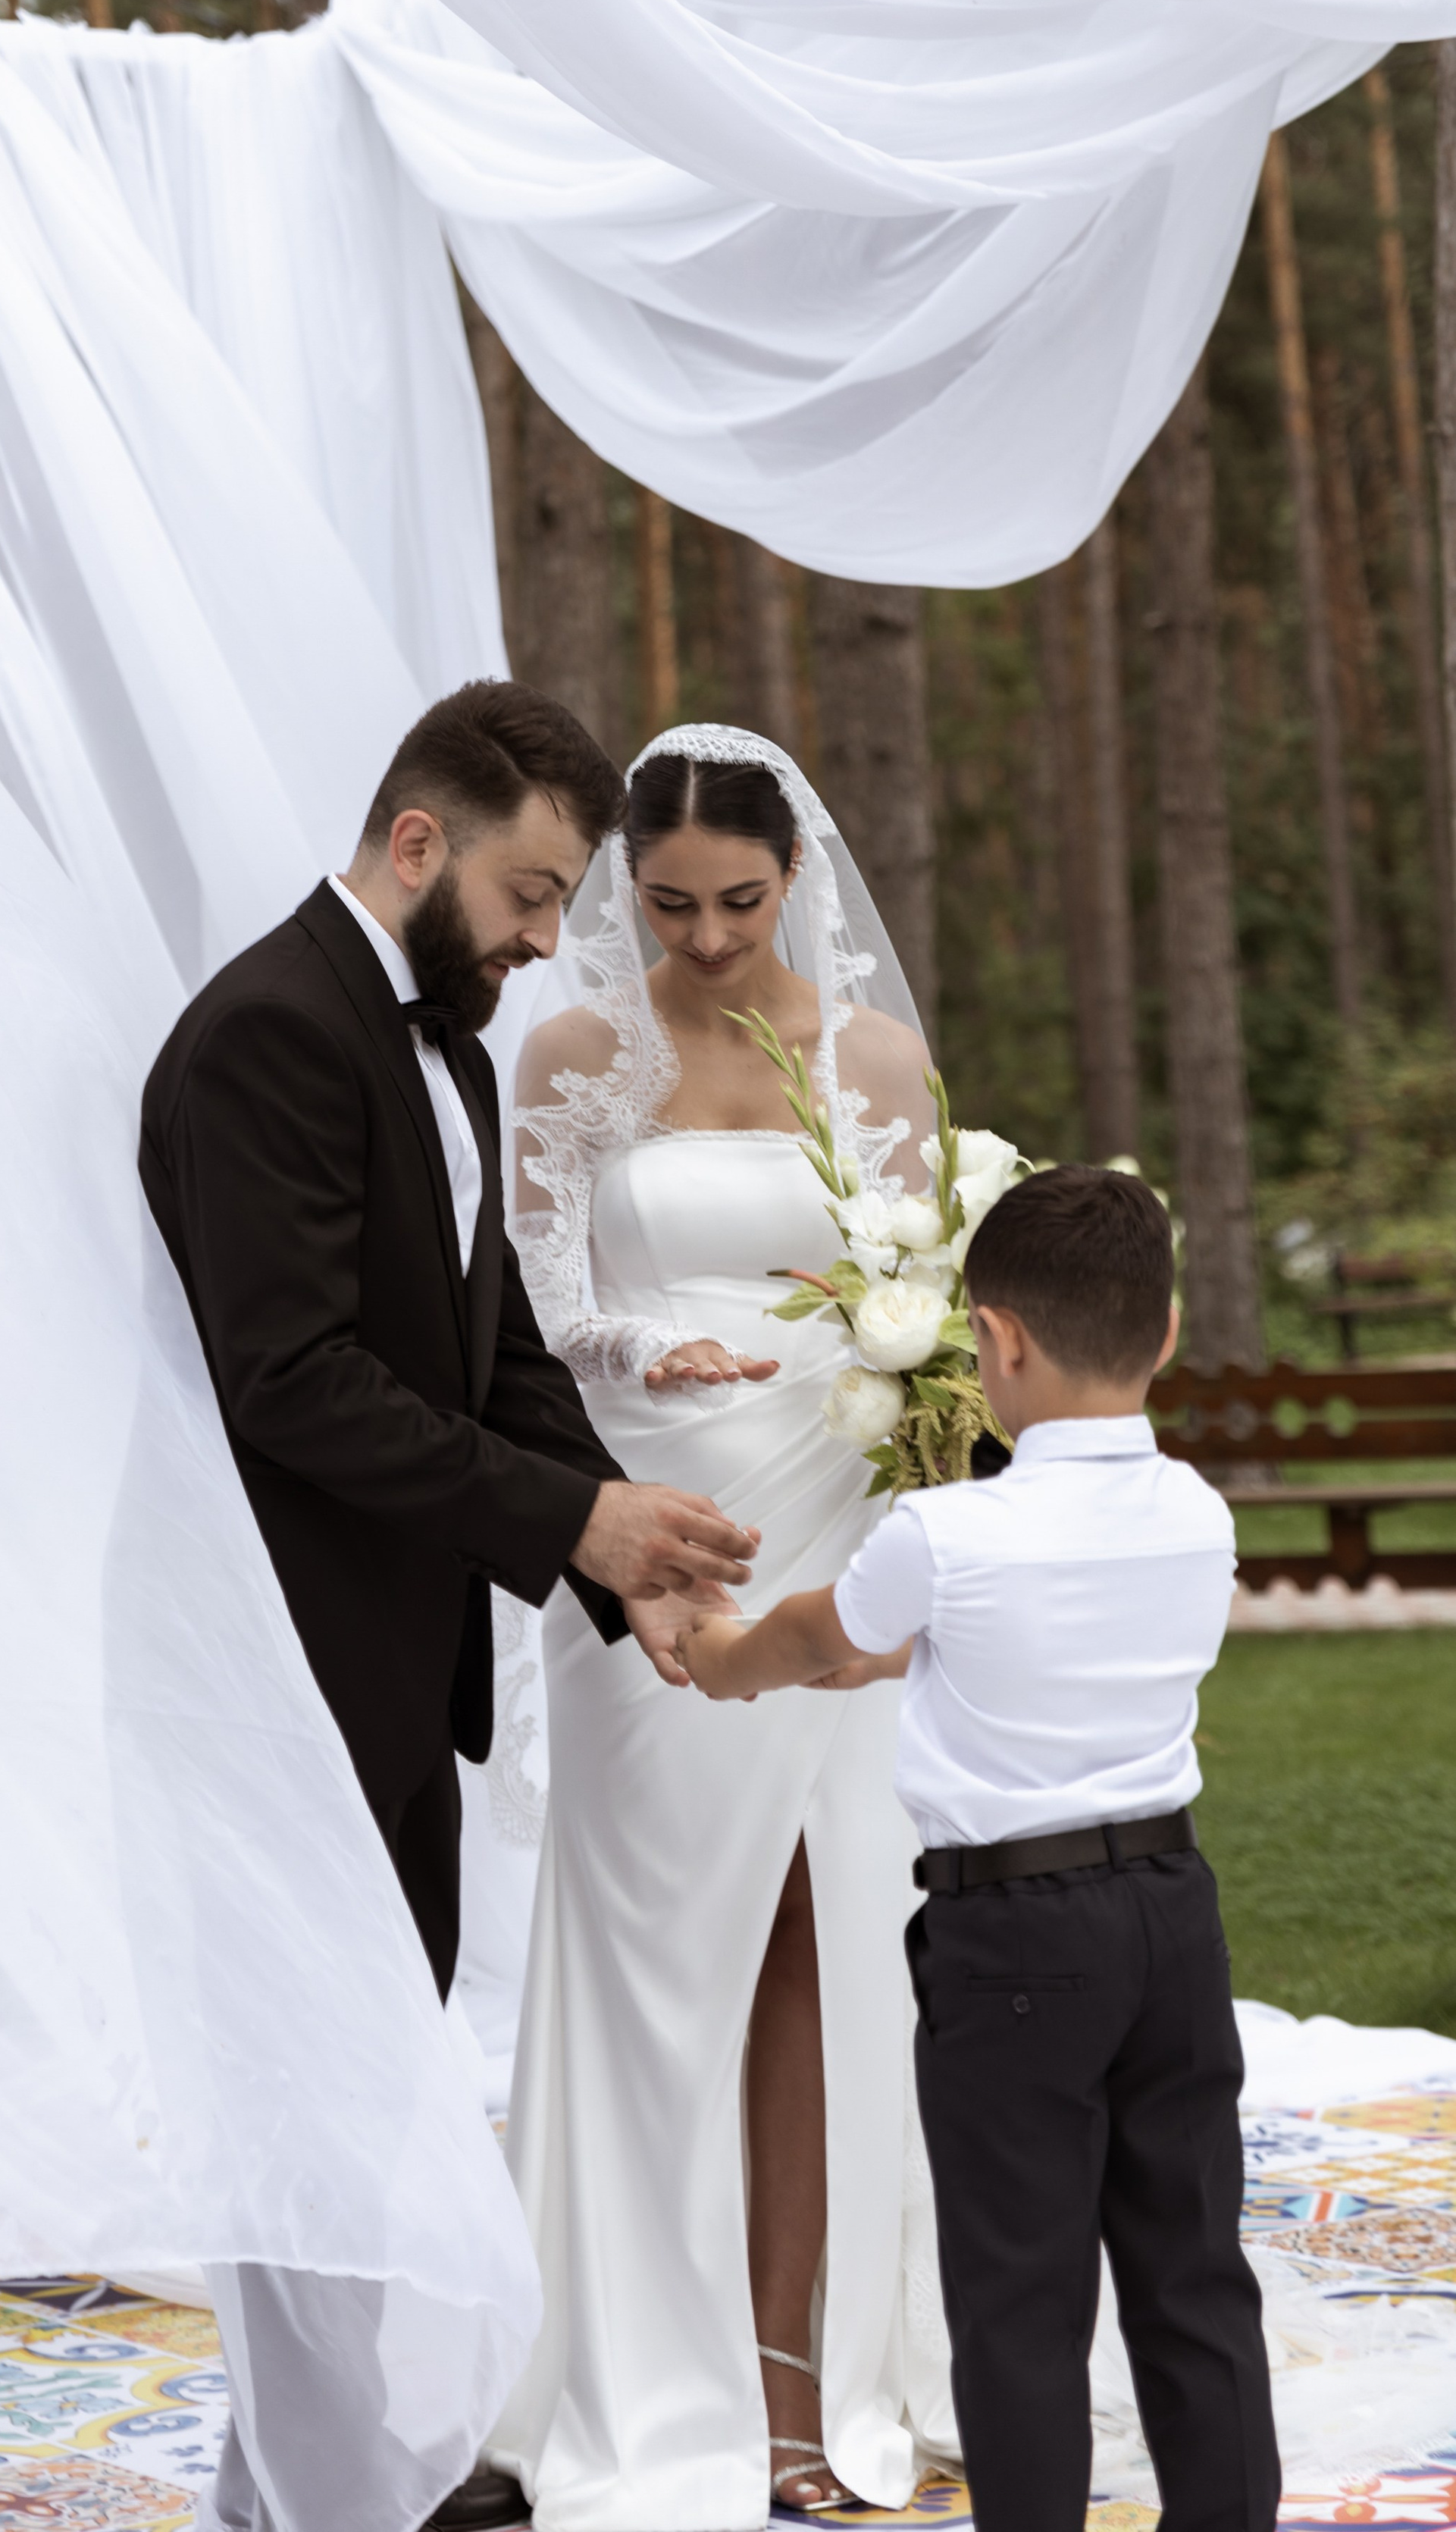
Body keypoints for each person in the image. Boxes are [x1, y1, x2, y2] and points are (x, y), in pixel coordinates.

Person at [140, 682, 758, 2532]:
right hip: (281, 1674)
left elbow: (484, 1347)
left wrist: (617, 1546)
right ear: (418, 843)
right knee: (303, 2107)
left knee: (356, 2086)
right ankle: (346, 2492)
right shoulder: (262, 1034)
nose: (543, 936)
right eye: (529, 887)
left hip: (395, 1673)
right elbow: (292, 1379)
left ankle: (301, 2484)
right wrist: (571, 1519)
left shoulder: (453, 1047)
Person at [489, 724, 956, 2527]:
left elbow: (914, 1295)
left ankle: (807, 2373)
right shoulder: (574, 1058)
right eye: (667, 903)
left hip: (826, 1505)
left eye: (736, 903)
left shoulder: (877, 1061)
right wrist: (637, 1347)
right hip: (646, 1530)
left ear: (794, 881)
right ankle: (636, 2364)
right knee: (655, 1934)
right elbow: (533, 1307)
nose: (701, 938)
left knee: (829, 1926)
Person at [678, 1164, 1280, 2532]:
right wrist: (902, 1665)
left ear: (995, 1340)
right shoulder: (1200, 1512)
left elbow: (812, 1638)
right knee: (1193, 2270)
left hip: (1016, 1939)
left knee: (1021, 2290)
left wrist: (719, 1659)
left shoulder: (947, 1532)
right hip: (1173, 1915)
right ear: (1169, 1332)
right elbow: (1043, 1657)